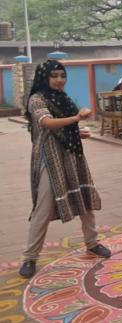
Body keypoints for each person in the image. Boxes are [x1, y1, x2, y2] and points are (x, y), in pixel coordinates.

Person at [19, 60, 112, 279]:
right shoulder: (36, 99)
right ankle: (30, 257)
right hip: (49, 159)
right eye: (54, 76)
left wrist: (78, 133)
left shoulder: (62, 97)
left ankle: (92, 243)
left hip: (71, 155)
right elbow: (47, 123)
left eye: (63, 75)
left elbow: (64, 127)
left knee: (85, 199)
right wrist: (77, 119)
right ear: (45, 78)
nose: (60, 80)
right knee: (43, 206)